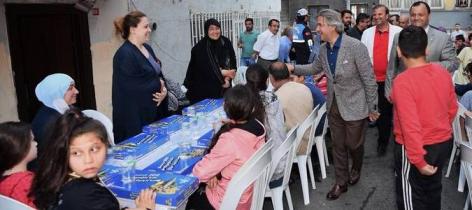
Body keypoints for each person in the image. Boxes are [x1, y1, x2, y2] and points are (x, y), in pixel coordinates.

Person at [288, 9, 378, 200]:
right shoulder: (322, 48)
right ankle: (340, 182)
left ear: (332, 26)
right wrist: (292, 67)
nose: (316, 28)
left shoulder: (355, 46)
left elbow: (369, 79)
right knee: (338, 145)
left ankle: (356, 166)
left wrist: (373, 107)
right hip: (334, 105)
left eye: (320, 24)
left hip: (355, 104)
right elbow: (315, 68)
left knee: (353, 144)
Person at [30, 108, 156, 210]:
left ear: (106, 146)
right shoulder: (87, 197)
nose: (88, 160)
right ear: (63, 153)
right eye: (76, 153)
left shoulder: (57, 176)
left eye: (94, 149)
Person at [391, 25, 457, 210]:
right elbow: (451, 109)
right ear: (426, 49)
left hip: (414, 149)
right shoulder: (443, 73)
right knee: (433, 191)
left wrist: (418, 160)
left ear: (398, 51)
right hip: (442, 143)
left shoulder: (402, 82)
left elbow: (409, 126)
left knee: (411, 197)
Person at [187, 85, 266, 210]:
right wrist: (213, 172)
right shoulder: (259, 127)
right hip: (247, 196)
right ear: (252, 109)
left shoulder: (230, 139)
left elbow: (200, 173)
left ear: (225, 108)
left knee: (189, 198)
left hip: (228, 201)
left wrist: (210, 173)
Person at [113, 11, 169, 143]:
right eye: (145, 27)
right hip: (136, 119)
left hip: (154, 113)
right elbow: (131, 88)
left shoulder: (148, 48)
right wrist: (158, 85)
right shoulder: (124, 54)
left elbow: (158, 74)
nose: (149, 30)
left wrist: (164, 90)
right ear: (133, 30)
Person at [385, 1, 459, 100]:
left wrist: (426, 66)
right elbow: (392, 67)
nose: (416, 18)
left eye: (420, 15)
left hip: (431, 92)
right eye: (413, 15)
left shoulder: (442, 38)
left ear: (429, 15)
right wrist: (389, 90)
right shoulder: (399, 36)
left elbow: (453, 63)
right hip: (404, 91)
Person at [361, 4, 402, 156]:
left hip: (391, 79)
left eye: (380, 14)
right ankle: (382, 139)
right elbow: (363, 56)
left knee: (390, 112)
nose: (377, 17)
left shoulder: (398, 32)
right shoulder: (367, 33)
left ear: (387, 16)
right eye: (375, 15)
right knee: (378, 111)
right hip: (372, 80)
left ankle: (389, 141)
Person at [245, 64, 286, 185]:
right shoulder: (273, 98)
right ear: (267, 80)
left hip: (264, 171)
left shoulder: (247, 103)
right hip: (281, 159)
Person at [184, 18, 236, 104]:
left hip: (225, 88)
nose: (215, 31)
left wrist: (227, 79)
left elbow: (232, 61)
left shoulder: (225, 42)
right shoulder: (199, 48)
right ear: (206, 30)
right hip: (204, 89)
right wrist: (224, 73)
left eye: (217, 28)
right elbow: (205, 70)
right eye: (211, 29)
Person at [32, 73, 79, 151]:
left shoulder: (61, 110)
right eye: (70, 88)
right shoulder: (50, 121)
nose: (76, 91)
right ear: (55, 93)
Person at [0, 122, 37, 208]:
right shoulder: (25, 182)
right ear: (19, 148)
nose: (36, 143)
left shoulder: (5, 178)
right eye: (33, 140)